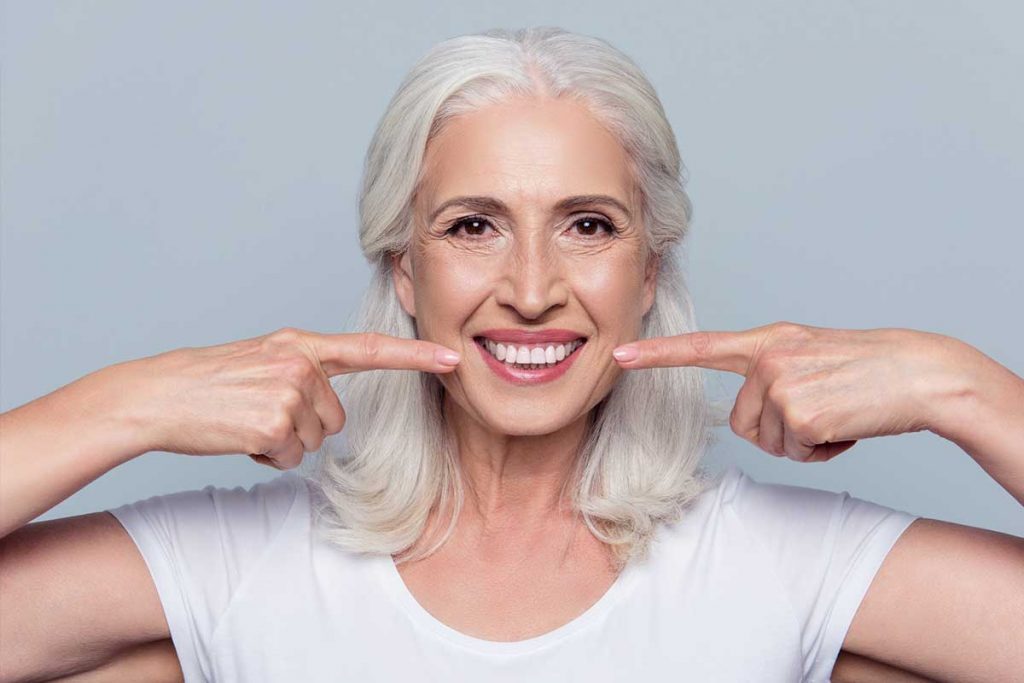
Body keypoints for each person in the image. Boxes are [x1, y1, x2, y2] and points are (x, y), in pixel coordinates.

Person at [1, 26, 1021, 683]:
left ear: (649, 270)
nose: (531, 289)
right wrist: (129, 404)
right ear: (405, 269)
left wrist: (960, 387)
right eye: (472, 226)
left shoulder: (777, 561)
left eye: (588, 225)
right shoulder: (238, 564)